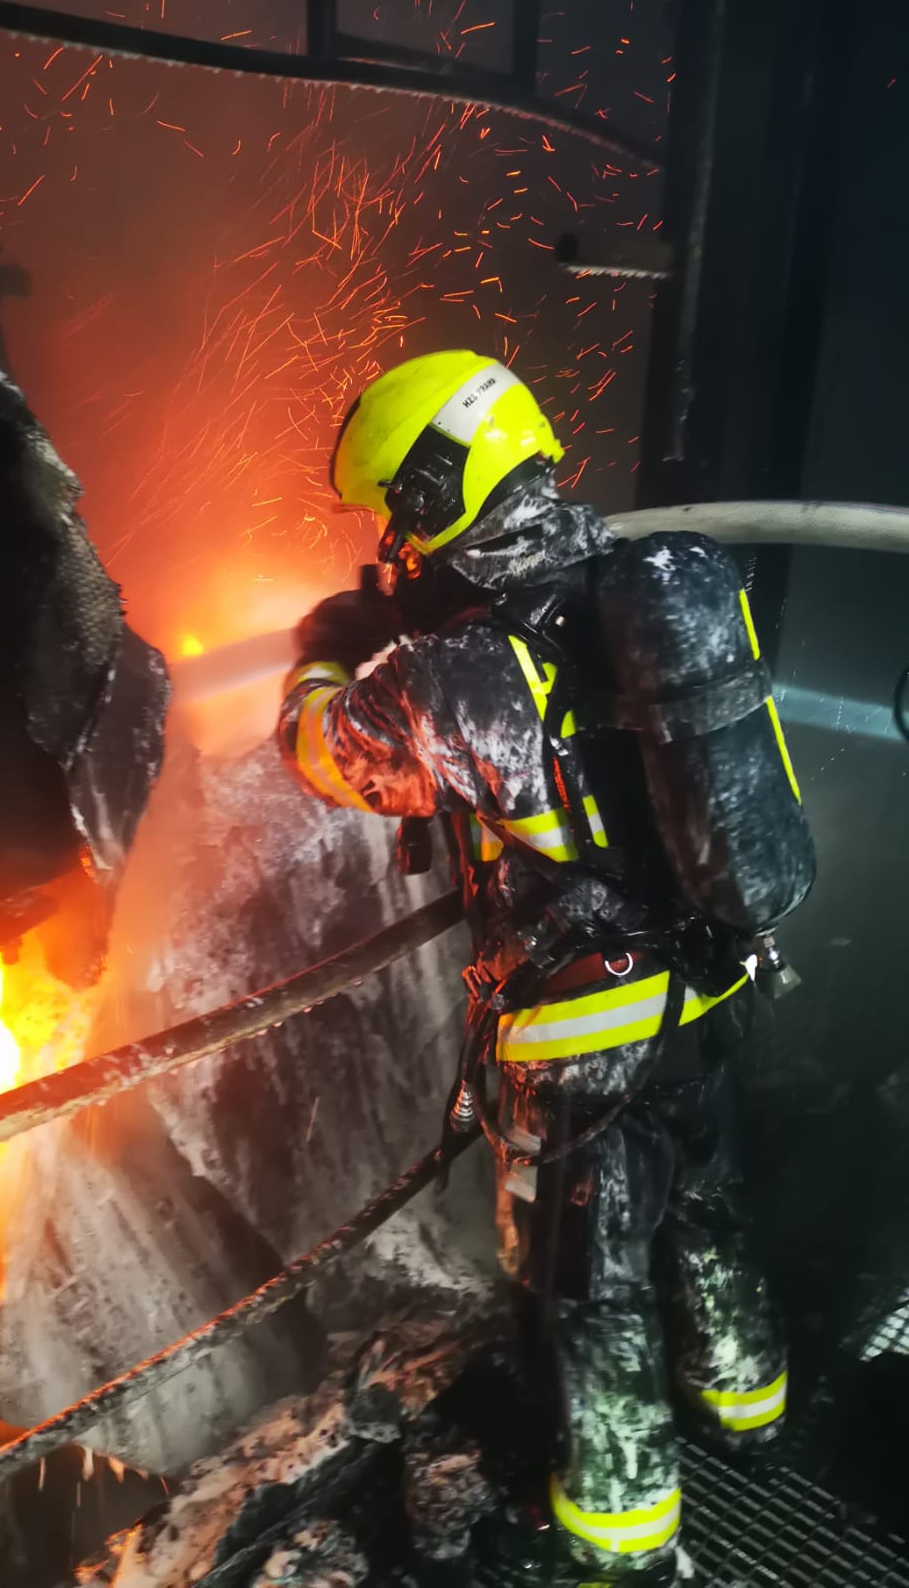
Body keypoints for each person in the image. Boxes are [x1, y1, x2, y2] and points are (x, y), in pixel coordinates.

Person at [277, 350, 798, 1585]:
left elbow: (323, 752)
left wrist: (325, 649)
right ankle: (749, 1408)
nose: (395, 544)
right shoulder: (637, 581)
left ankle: (621, 1530)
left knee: (586, 1288)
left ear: (430, 497)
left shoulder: (455, 671)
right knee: (709, 1213)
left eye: (395, 514)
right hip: (710, 983)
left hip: (588, 1041)